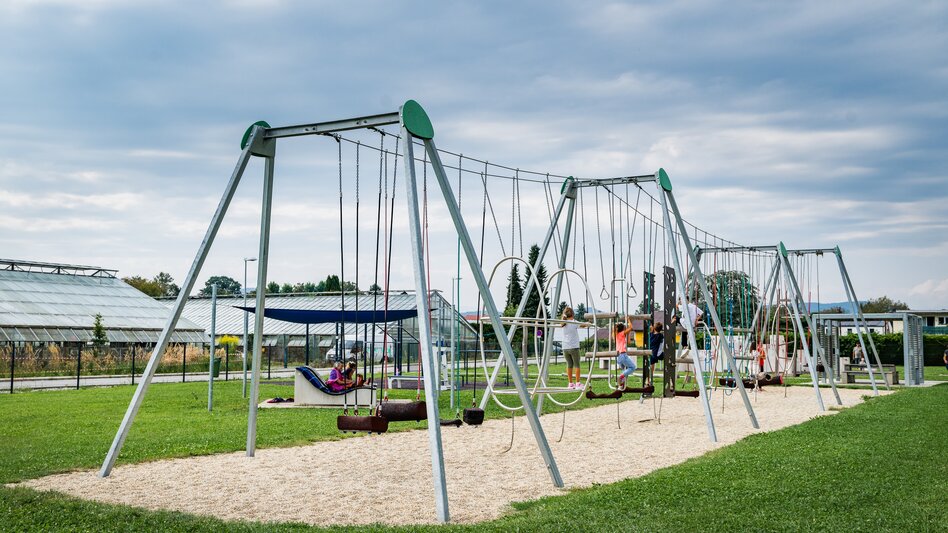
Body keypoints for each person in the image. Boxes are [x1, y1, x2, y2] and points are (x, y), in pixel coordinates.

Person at [560, 307, 583, 390]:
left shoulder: (563, 322)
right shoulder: (574, 322)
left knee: (569, 365)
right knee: (577, 365)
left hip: (565, 347)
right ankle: (578, 383)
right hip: (574, 347)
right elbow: (583, 325)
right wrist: (588, 323)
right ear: (573, 314)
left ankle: (570, 383)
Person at [615, 315, 637, 390]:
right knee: (633, 367)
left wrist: (628, 333)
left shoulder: (617, 335)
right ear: (623, 329)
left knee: (624, 371)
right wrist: (629, 320)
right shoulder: (621, 334)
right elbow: (631, 327)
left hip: (618, 356)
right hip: (622, 355)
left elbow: (629, 342)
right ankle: (620, 377)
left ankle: (621, 386)